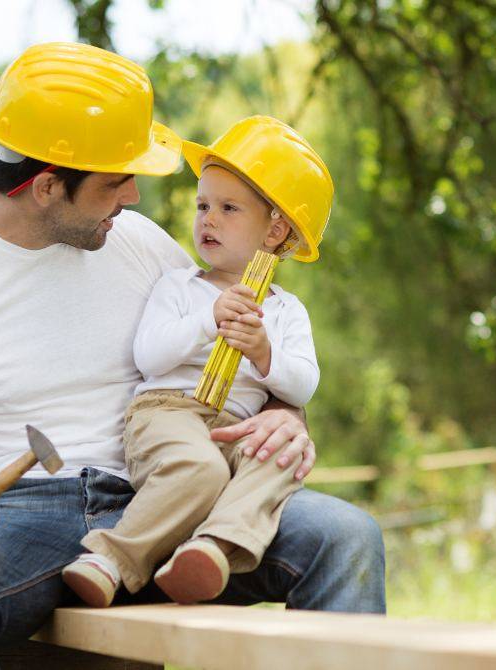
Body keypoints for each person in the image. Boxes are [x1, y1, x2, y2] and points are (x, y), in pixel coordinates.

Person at [0, 42, 385, 669]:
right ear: (47, 185)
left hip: (171, 491)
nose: (133, 196)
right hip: (21, 524)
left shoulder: (138, 243)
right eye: (115, 181)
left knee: (346, 537)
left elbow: (233, 353)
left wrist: (289, 419)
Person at [62, 116, 332, 607]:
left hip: (239, 426)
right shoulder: (181, 287)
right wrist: (208, 320)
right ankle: (109, 558)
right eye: (203, 205)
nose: (208, 219)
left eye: (229, 208)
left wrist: (264, 352)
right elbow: (150, 356)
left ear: (276, 231)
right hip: (170, 413)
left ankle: (212, 547)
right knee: (201, 469)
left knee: (281, 462)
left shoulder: (287, 310)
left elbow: (302, 386)